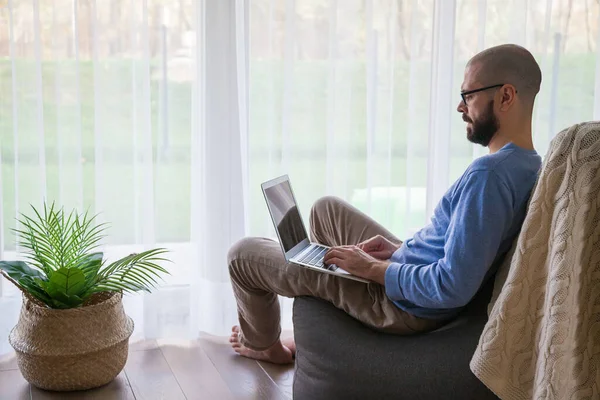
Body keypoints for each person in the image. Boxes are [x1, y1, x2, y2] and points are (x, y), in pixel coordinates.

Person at [227, 44, 543, 364]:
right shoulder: (527, 163)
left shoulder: (489, 175)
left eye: (469, 96)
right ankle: (325, 281)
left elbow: (450, 286)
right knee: (327, 209)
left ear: (505, 96)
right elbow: (461, 249)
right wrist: (396, 249)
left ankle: (267, 346)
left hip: (403, 305)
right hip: (409, 274)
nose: (461, 108)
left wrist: (373, 269)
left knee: (242, 254)